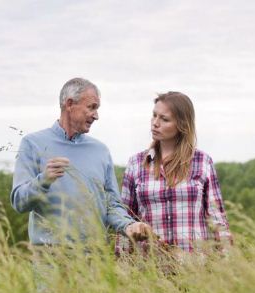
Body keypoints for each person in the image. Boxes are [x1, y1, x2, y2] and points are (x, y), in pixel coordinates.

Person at [10, 78, 152, 247]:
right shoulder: (32, 143)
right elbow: (19, 203)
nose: (96, 116)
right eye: (92, 107)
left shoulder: (101, 150)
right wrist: (44, 180)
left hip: (96, 258)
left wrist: (128, 225)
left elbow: (112, 204)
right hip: (49, 259)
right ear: (70, 104)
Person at [116, 91, 232, 255]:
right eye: (154, 116)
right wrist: (121, 264)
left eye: (164, 119)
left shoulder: (202, 162)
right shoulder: (136, 164)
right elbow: (126, 219)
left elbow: (217, 218)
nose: (155, 123)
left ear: (182, 124)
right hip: (149, 268)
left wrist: (229, 262)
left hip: (196, 267)